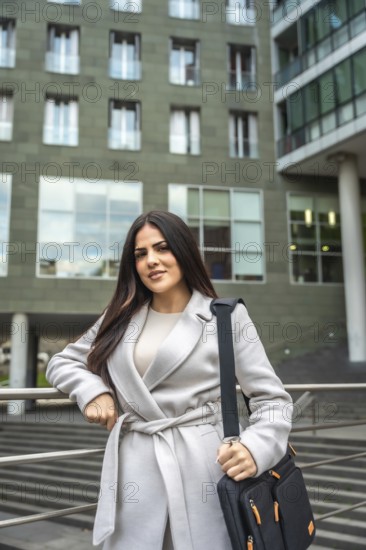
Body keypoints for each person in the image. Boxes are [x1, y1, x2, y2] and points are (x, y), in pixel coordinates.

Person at [46, 210, 293, 550]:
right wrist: (93, 391)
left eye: (162, 248)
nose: (151, 261)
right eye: (140, 254)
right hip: (135, 471)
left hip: (206, 469)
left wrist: (256, 447)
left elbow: (272, 400)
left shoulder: (226, 316)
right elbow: (64, 362)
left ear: (183, 251)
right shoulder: (120, 317)